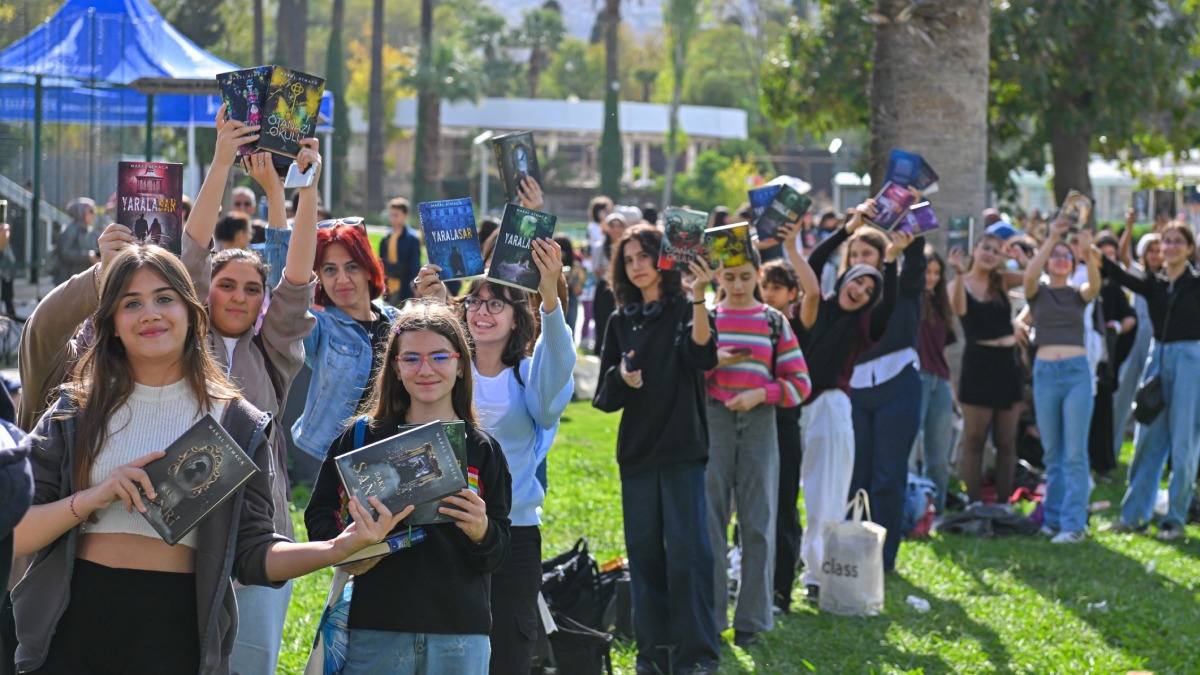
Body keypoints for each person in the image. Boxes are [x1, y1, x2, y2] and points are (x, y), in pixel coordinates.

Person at [11, 245, 402, 674]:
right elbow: (15, 530)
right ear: (112, 324)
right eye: (131, 303)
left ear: (191, 312)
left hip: (177, 629)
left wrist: (336, 547)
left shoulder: (236, 421)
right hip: (72, 623)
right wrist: (90, 498)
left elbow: (254, 552)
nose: (150, 313)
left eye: (164, 298)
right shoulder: (75, 410)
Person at [182, 113, 321, 674]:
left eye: (250, 289)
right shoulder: (185, 343)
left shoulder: (276, 350)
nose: (238, 297)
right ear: (205, 294)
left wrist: (303, 190)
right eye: (226, 286)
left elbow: (297, 278)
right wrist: (220, 162)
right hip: (186, 524)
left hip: (263, 532)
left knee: (253, 664)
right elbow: (189, 255)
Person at [305, 300, 512, 674]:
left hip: (459, 634)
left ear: (461, 364)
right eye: (412, 359)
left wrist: (482, 531)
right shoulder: (362, 438)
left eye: (439, 357)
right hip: (377, 626)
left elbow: (501, 552)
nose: (426, 369)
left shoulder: (483, 449)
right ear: (396, 368)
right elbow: (318, 517)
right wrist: (352, 546)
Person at [414, 234, 574, 673]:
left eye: (496, 304)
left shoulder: (527, 375)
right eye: (476, 302)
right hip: (442, 525)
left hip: (513, 532)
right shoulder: (446, 368)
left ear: (516, 315)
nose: (482, 312)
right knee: (447, 648)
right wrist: (431, 308)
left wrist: (550, 302)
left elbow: (554, 384)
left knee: (507, 649)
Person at [592, 225, 720, 675]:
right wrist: (622, 381)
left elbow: (702, 356)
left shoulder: (687, 308)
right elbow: (603, 398)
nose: (637, 264)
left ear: (663, 259)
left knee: (688, 558)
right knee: (645, 559)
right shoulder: (620, 320)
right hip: (638, 454)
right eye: (628, 259)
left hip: (682, 448)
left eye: (644, 254)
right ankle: (654, 656)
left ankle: (698, 656)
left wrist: (701, 295)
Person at [782, 203, 897, 603]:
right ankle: (776, 565)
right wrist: (847, 231)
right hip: (790, 407)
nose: (860, 290)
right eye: (858, 281)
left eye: (869, 290)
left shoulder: (863, 328)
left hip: (830, 409)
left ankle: (817, 577)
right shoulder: (815, 308)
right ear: (845, 276)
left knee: (825, 496)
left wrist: (892, 265)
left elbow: (888, 306)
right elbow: (813, 269)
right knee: (778, 494)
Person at [705, 248, 811, 646]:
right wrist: (713, 362)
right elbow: (689, 369)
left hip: (760, 422)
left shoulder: (773, 321)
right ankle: (712, 616)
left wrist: (761, 394)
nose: (736, 285)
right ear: (719, 277)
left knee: (758, 523)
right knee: (712, 523)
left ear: (758, 275)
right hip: (714, 417)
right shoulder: (710, 318)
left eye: (745, 277)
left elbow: (800, 383)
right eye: (729, 277)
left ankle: (751, 619)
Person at [1101, 223, 1200, 539]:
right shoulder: (1154, 284)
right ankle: (1133, 517)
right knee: (1146, 441)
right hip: (1158, 359)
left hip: (1191, 360)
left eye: (1177, 242)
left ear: (1189, 248)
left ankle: (1174, 520)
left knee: (1183, 445)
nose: (1170, 247)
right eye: (1166, 241)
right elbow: (1117, 273)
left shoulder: (1197, 284)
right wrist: (1089, 246)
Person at [289, 221, 400, 485]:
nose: (342, 279)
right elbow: (288, 298)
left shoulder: (397, 321)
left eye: (351, 267)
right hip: (336, 461)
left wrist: (437, 300)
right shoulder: (318, 324)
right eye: (330, 270)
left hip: (396, 453)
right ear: (319, 277)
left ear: (368, 269)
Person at [845, 221, 922, 573]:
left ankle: (884, 559)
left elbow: (916, 266)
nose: (861, 260)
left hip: (898, 384)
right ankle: (852, 553)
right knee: (856, 476)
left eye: (868, 253)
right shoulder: (847, 295)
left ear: (883, 256)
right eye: (854, 254)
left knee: (888, 476)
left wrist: (910, 236)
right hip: (856, 390)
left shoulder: (900, 286)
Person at [1024, 221, 1101, 543]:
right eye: (1054, 255)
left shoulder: (1078, 294)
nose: (1059, 259)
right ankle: (1053, 520)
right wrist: (1053, 238)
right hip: (1044, 374)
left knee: (1074, 454)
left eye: (1065, 256)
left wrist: (1086, 251)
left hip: (1075, 373)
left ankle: (1074, 524)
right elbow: (1029, 274)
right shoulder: (1037, 293)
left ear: (1073, 264)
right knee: (1052, 453)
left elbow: (1095, 283)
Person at [947, 232, 1025, 506]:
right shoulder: (959, 283)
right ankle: (974, 502)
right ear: (974, 250)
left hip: (1007, 362)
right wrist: (958, 273)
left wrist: (1022, 258)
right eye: (985, 248)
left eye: (996, 250)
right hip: (978, 363)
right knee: (975, 439)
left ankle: (1004, 503)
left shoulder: (1002, 280)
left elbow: (1034, 277)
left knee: (1006, 441)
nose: (990, 253)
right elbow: (958, 308)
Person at [758, 259, 806, 613]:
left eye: (777, 287)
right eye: (766, 286)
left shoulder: (800, 324)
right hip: (752, 426)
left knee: (784, 508)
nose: (769, 294)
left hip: (785, 424)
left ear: (793, 293)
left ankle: (780, 592)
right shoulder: (754, 320)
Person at [912, 247, 958, 514]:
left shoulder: (941, 305)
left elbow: (942, 351)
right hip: (915, 378)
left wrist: (950, 388)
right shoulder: (908, 301)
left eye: (936, 273)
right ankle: (912, 510)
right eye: (927, 272)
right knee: (908, 451)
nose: (931, 278)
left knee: (938, 456)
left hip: (939, 381)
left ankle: (935, 512)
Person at [1088, 233, 1136, 481]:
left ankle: (1103, 464)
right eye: (1102, 254)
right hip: (1082, 358)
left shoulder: (1114, 288)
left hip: (1104, 362)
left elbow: (1130, 318)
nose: (1106, 259)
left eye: (1111, 255)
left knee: (1103, 412)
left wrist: (1115, 327)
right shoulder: (1082, 280)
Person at [1112, 224, 1161, 458]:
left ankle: (1152, 455)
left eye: (1158, 250)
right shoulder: (1139, 275)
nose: (1155, 255)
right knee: (1122, 395)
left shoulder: (1168, 280)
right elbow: (1123, 256)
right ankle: (1111, 450)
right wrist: (1130, 227)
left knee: (1155, 400)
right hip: (1135, 343)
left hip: (1159, 343)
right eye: (1150, 250)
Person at [591, 212, 626, 355]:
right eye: (612, 226)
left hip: (622, 289)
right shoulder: (600, 247)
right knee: (602, 323)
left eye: (619, 226)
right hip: (605, 289)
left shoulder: (627, 247)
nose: (616, 229)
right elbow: (596, 270)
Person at [379, 198, 422, 306]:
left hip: (403, 285)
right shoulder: (386, 238)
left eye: (396, 215)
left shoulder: (412, 238)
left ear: (405, 215)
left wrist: (415, 288)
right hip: (388, 285)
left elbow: (415, 265)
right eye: (391, 215)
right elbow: (381, 262)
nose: (393, 218)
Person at [53, 198, 99, 286]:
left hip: (84, 281)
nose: (94, 214)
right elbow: (64, 253)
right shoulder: (70, 230)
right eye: (91, 211)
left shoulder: (90, 231)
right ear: (81, 212)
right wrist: (87, 256)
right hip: (68, 282)